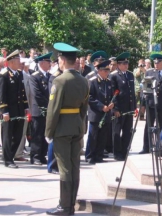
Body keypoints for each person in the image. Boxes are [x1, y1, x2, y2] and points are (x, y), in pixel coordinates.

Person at [45, 42, 89, 215]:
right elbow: (84, 108)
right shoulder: (84, 80)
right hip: (77, 127)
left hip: (62, 129)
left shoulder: (60, 80)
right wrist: (81, 124)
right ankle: (71, 205)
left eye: (59, 59)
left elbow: (53, 109)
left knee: (64, 168)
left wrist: (49, 132)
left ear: (63, 60)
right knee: (74, 166)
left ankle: (64, 206)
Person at [0, 49, 29, 168]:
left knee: (18, 135)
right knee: (7, 135)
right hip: (9, 110)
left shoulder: (19, 74)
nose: (20, 62)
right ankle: (8, 159)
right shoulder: (3, 75)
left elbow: (22, 92)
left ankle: (10, 155)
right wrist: (4, 111)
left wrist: (26, 107)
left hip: (19, 110)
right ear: (10, 62)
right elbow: (1, 95)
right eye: (17, 60)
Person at [139, 53, 162, 154]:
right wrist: (142, 105)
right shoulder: (149, 73)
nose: (156, 64)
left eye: (158, 62)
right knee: (148, 126)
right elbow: (144, 89)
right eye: (155, 62)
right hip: (150, 104)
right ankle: (146, 147)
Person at [86, 60, 114, 164]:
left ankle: (99, 155)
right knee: (93, 136)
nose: (108, 72)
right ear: (100, 71)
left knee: (103, 136)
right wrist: (101, 106)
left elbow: (111, 96)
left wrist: (112, 104)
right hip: (96, 113)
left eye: (108, 70)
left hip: (106, 113)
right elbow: (89, 97)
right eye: (106, 70)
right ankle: (90, 156)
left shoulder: (108, 82)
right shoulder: (92, 81)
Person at [110, 52, 136, 161]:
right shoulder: (114, 75)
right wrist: (115, 108)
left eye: (127, 63)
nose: (126, 65)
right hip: (119, 108)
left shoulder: (130, 75)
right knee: (116, 131)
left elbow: (132, 92)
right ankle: (117, 152)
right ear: (119, 64)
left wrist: (134, 107)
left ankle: (125, 151)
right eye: (124, 63)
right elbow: (113, 93)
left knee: (128, 131)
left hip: (129, 108)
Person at [29, 52, 52, 165]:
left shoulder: (50, 76)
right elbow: (36, 94)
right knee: (37, 134)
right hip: (39, 109)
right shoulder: (34, 76)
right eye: (48, 62)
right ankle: (35, 156)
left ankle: (42, 154)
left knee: (45, 133)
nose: (50, 64)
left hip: (48, 110)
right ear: (42, 63)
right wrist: (48, 105)